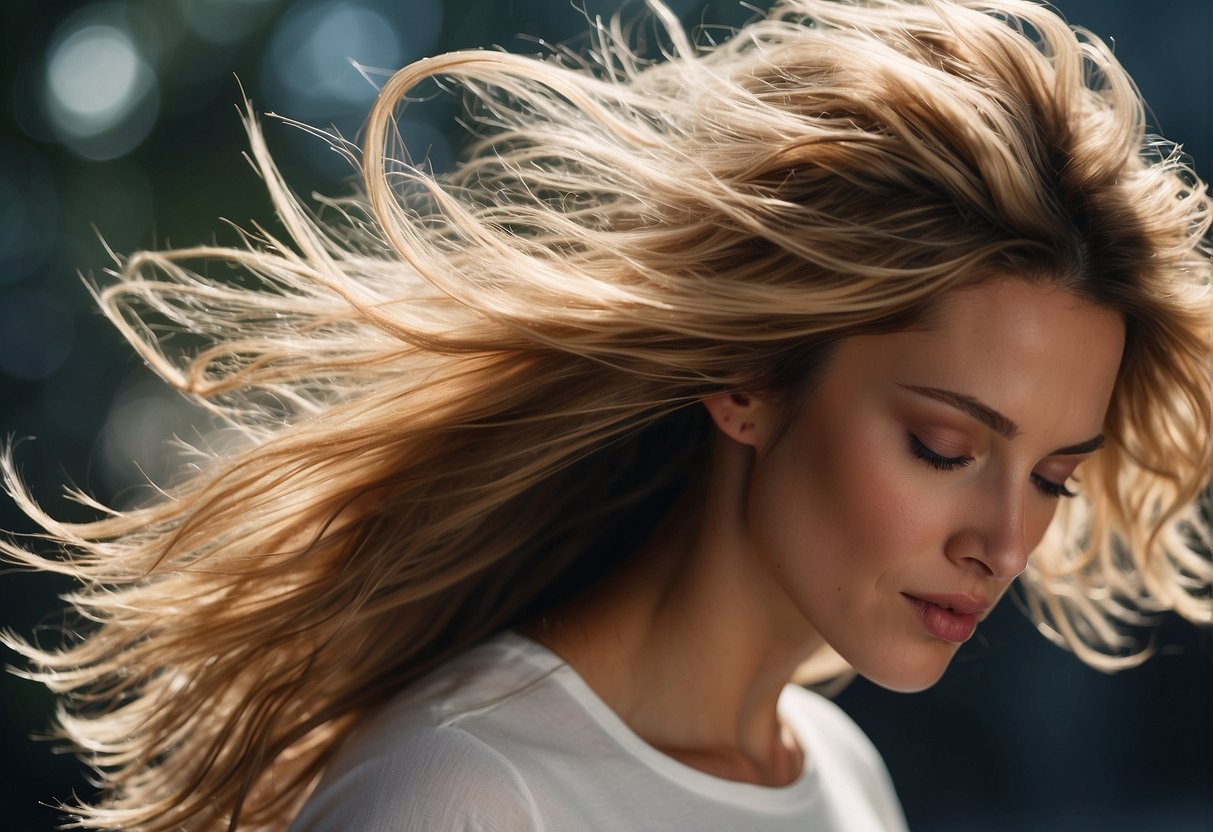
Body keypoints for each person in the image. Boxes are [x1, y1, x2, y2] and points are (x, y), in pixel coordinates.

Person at [3, 0, 1210, 829]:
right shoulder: (466, 792)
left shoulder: (842, 781)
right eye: (944, 448)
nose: (1003, 540)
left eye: (1051, 477)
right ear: (746, 379)